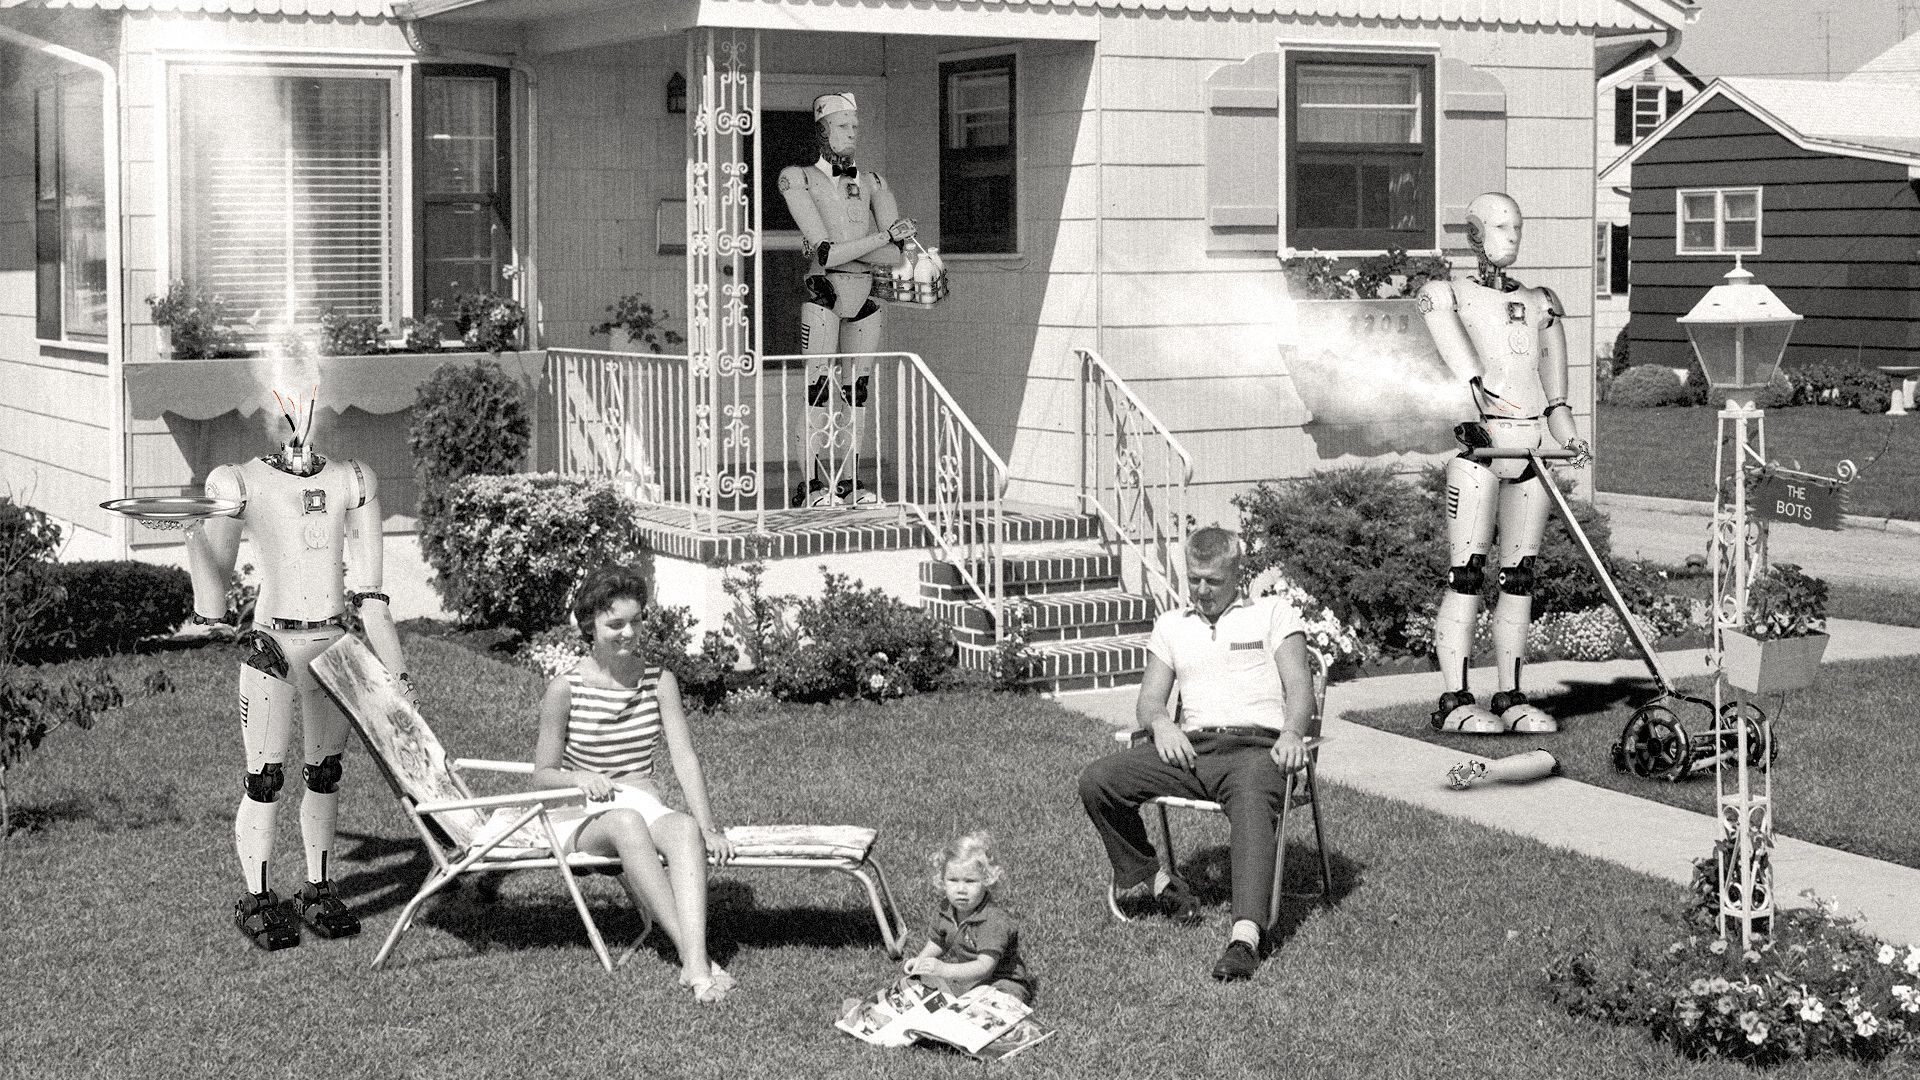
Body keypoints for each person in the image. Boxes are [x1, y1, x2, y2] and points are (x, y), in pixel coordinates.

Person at [182, 390, 413, 952]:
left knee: (324, 772)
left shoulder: (353, 480)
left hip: (334, 646)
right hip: (273, 649)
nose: (297, 414)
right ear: (270, 407)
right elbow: (211, 600)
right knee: (265, 780)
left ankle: (317, 887)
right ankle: (258, 898)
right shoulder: (239, 482)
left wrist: (398, 676)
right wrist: (192, 534)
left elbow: (372, 596)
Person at [1077, 526, 1316, 983]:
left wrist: (1292, 734)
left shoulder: (1272, 614)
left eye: (1213, 581)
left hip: (1257, 750)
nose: (1202, 591)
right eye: (1194, 580)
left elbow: (1301, 689)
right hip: (1191, 749)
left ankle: (1245, 938)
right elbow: (1149, 701)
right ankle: (1160, 883)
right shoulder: (1172, 625)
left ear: (1237, 574)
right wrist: (1162, 724)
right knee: (1098, 781)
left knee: (1249, 802)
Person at [1415, 192, 1592, 734]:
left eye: (1517, 226)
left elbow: (1555, 395)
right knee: (1467, 572)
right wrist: (1480, 400)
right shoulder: (1446, 294)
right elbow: (1464, 369)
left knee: (1520, 575)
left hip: (1531, 449)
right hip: (1481, 453)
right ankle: (1455, 698)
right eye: (1499, 227)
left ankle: (1510, 694)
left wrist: (1570, 436)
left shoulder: (1541, 302)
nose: (1511, 236)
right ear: (1474, 236)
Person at [531, 564, 737, 1003]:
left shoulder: (659, 682)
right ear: (589, 625)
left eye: (636, 621)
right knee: (625, 820)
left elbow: (683, 756)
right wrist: (580, 777)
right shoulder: (563, 689)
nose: (629, 632)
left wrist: (708, 824)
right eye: (615, 624)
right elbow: (542, 775)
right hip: (578, 813)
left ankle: (693, 961)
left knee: (683, 828)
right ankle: (696, 964)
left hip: (640, 804)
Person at [777, 91, 918, 507]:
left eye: (855, 126)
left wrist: (862, 246)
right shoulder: (797, 177)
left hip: (864, 294)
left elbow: (899, 252)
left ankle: (850, 480)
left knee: (857, 390)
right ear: (822, 130)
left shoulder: (873, 181)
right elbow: (823, 253)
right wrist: (878, 240)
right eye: (842, 126)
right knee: (817, 389)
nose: (852, 134)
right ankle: (812, 484)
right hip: (823, 292)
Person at [902, 832, 1033, 1003]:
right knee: (921, 993)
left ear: (987, 880)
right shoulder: (945, 910)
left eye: (970, 881)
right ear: (942, 881)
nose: (961, 889)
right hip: (967, 980)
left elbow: (984, 967)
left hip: (1002, 982)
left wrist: (945, 970)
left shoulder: (993, 920)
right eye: (953, 880)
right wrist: (921, 961)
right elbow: (937, 942)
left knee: (995, 1006)